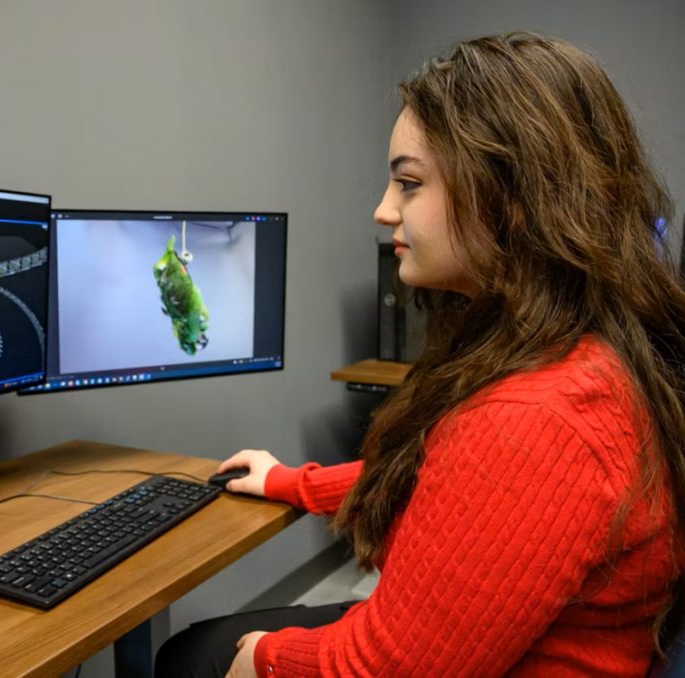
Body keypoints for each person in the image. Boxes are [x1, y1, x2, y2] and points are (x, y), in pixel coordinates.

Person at [155, 32, 685, 677]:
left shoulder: (534, 422)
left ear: (513, 199)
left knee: (195, 658)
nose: (383, 211)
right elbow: (446, 479)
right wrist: (291, 481)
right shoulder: (578, 347)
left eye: (409, 183)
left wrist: (263, 659)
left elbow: (387, 669)